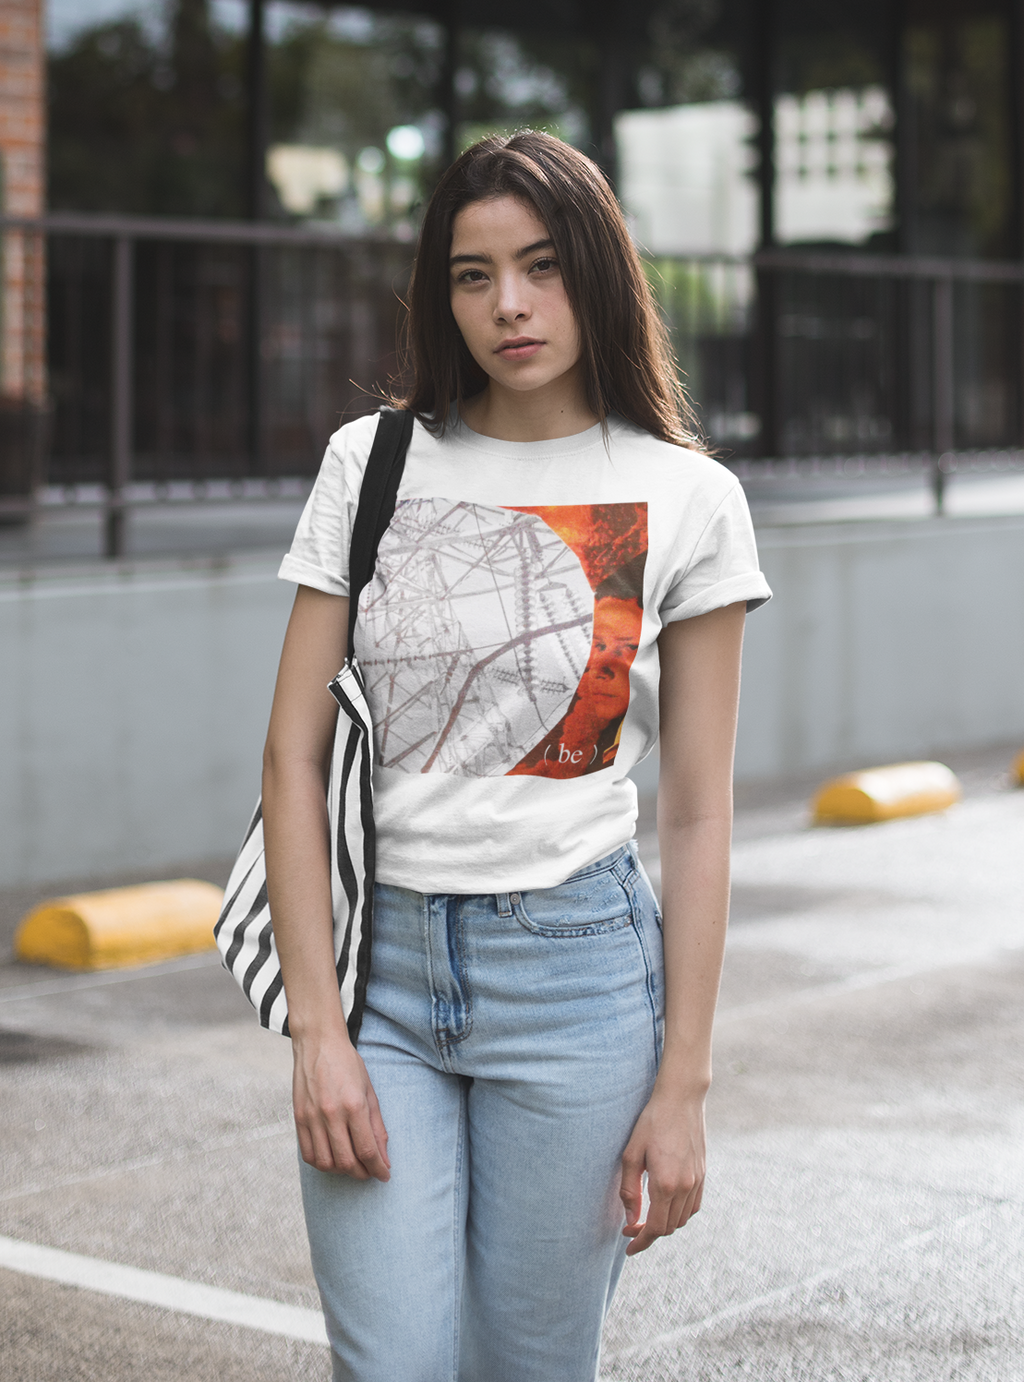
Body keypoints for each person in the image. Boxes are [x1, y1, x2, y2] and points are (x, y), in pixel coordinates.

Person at [262, 130, 771, 1382]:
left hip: (577, 976)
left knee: (527, 1365)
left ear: (596, 272)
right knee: (391, 1360)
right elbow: (290, 758)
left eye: (541, 267)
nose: (509, 305)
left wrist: (685, 1085)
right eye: (472, 274)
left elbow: (698, 812)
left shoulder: (686, 495)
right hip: (381, 976)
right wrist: (316, 1028)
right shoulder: (372, 462)